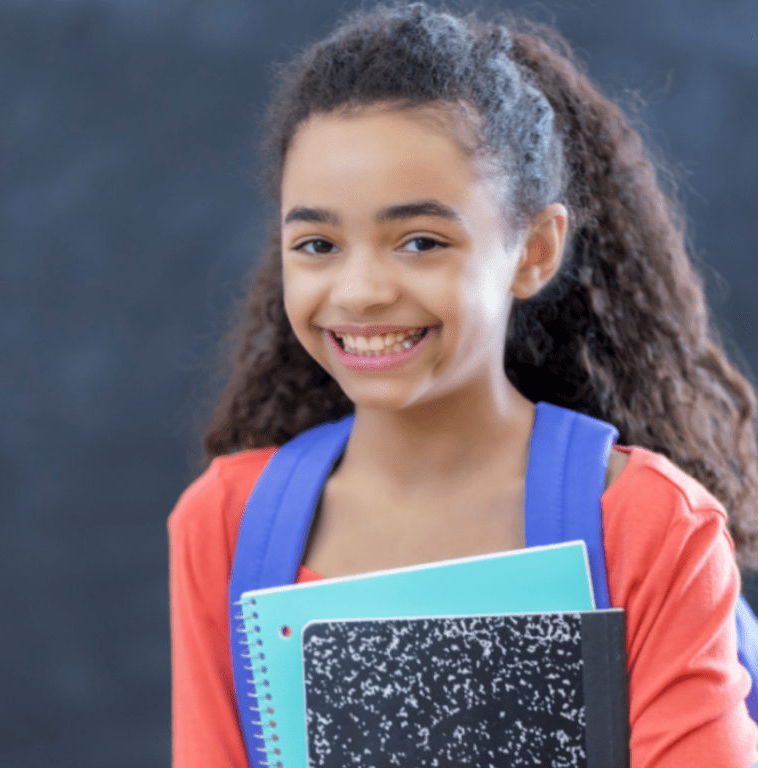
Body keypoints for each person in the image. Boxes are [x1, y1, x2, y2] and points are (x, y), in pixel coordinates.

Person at [168, 2, 758, 765]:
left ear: (534, 250)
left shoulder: (651, 528)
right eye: (317, 243)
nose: (360, 291)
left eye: (420, 241)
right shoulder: (223, 523)